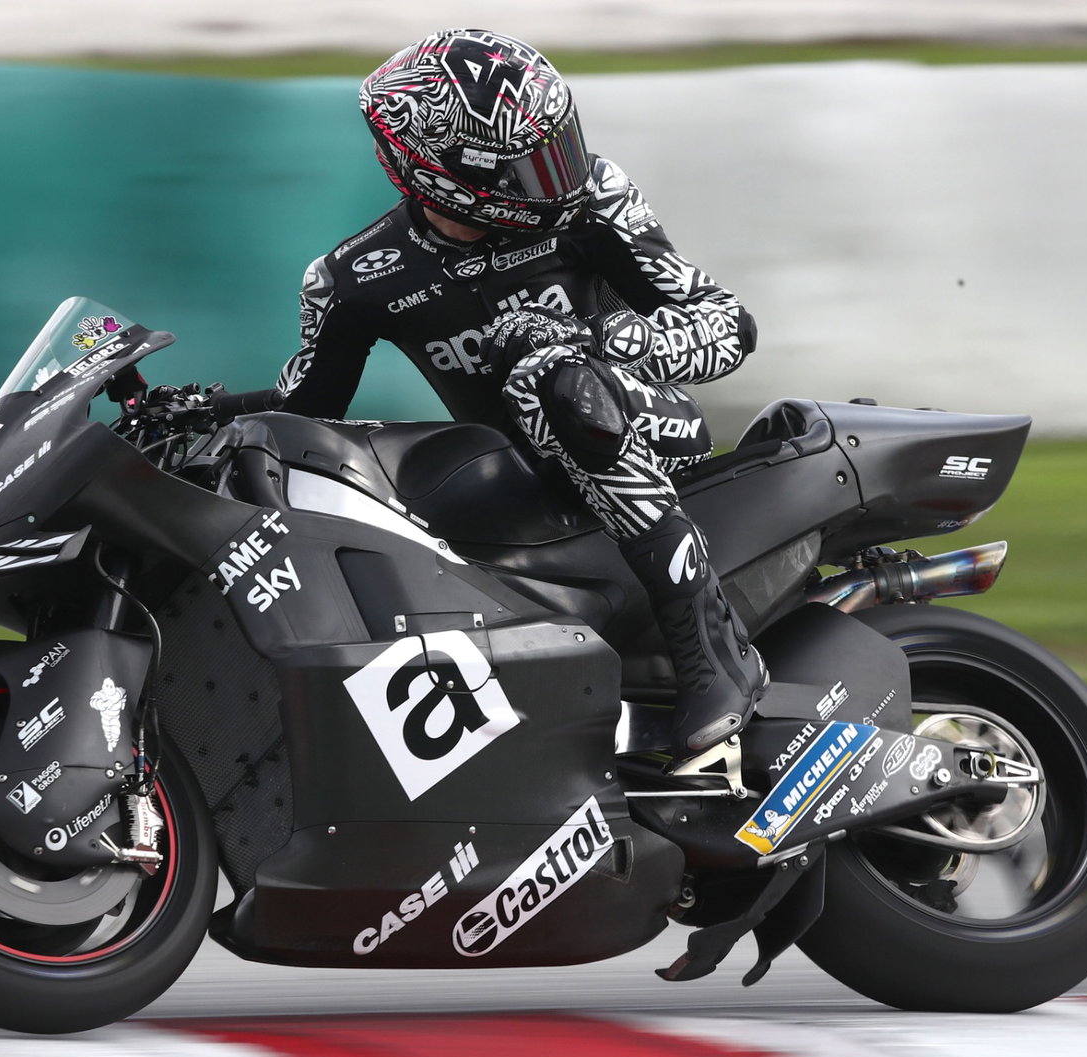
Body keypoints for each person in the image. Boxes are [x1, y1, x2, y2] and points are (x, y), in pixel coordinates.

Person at [264, 28, 767, 760]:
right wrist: (197, 413)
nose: (562, 177)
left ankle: (715, 650)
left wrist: (594, 342)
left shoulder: (596, 198)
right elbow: (300, 416)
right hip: (517, 487)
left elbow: (728, 326)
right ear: (442, 173)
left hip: (649, 427)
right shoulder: (351, 278)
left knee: (546, 375)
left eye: (561, 150)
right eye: (533, 167)